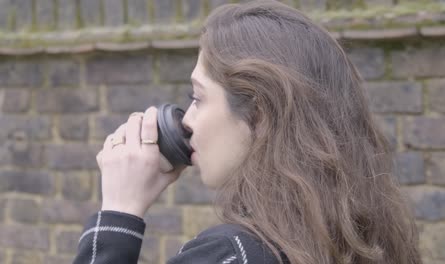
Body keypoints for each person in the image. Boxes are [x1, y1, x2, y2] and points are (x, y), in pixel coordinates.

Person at [73, 1, 422, 263]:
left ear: (259, 113)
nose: (185, 120)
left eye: (197, 97)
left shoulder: (230, 256)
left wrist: (118, 213)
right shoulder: (368, 243)